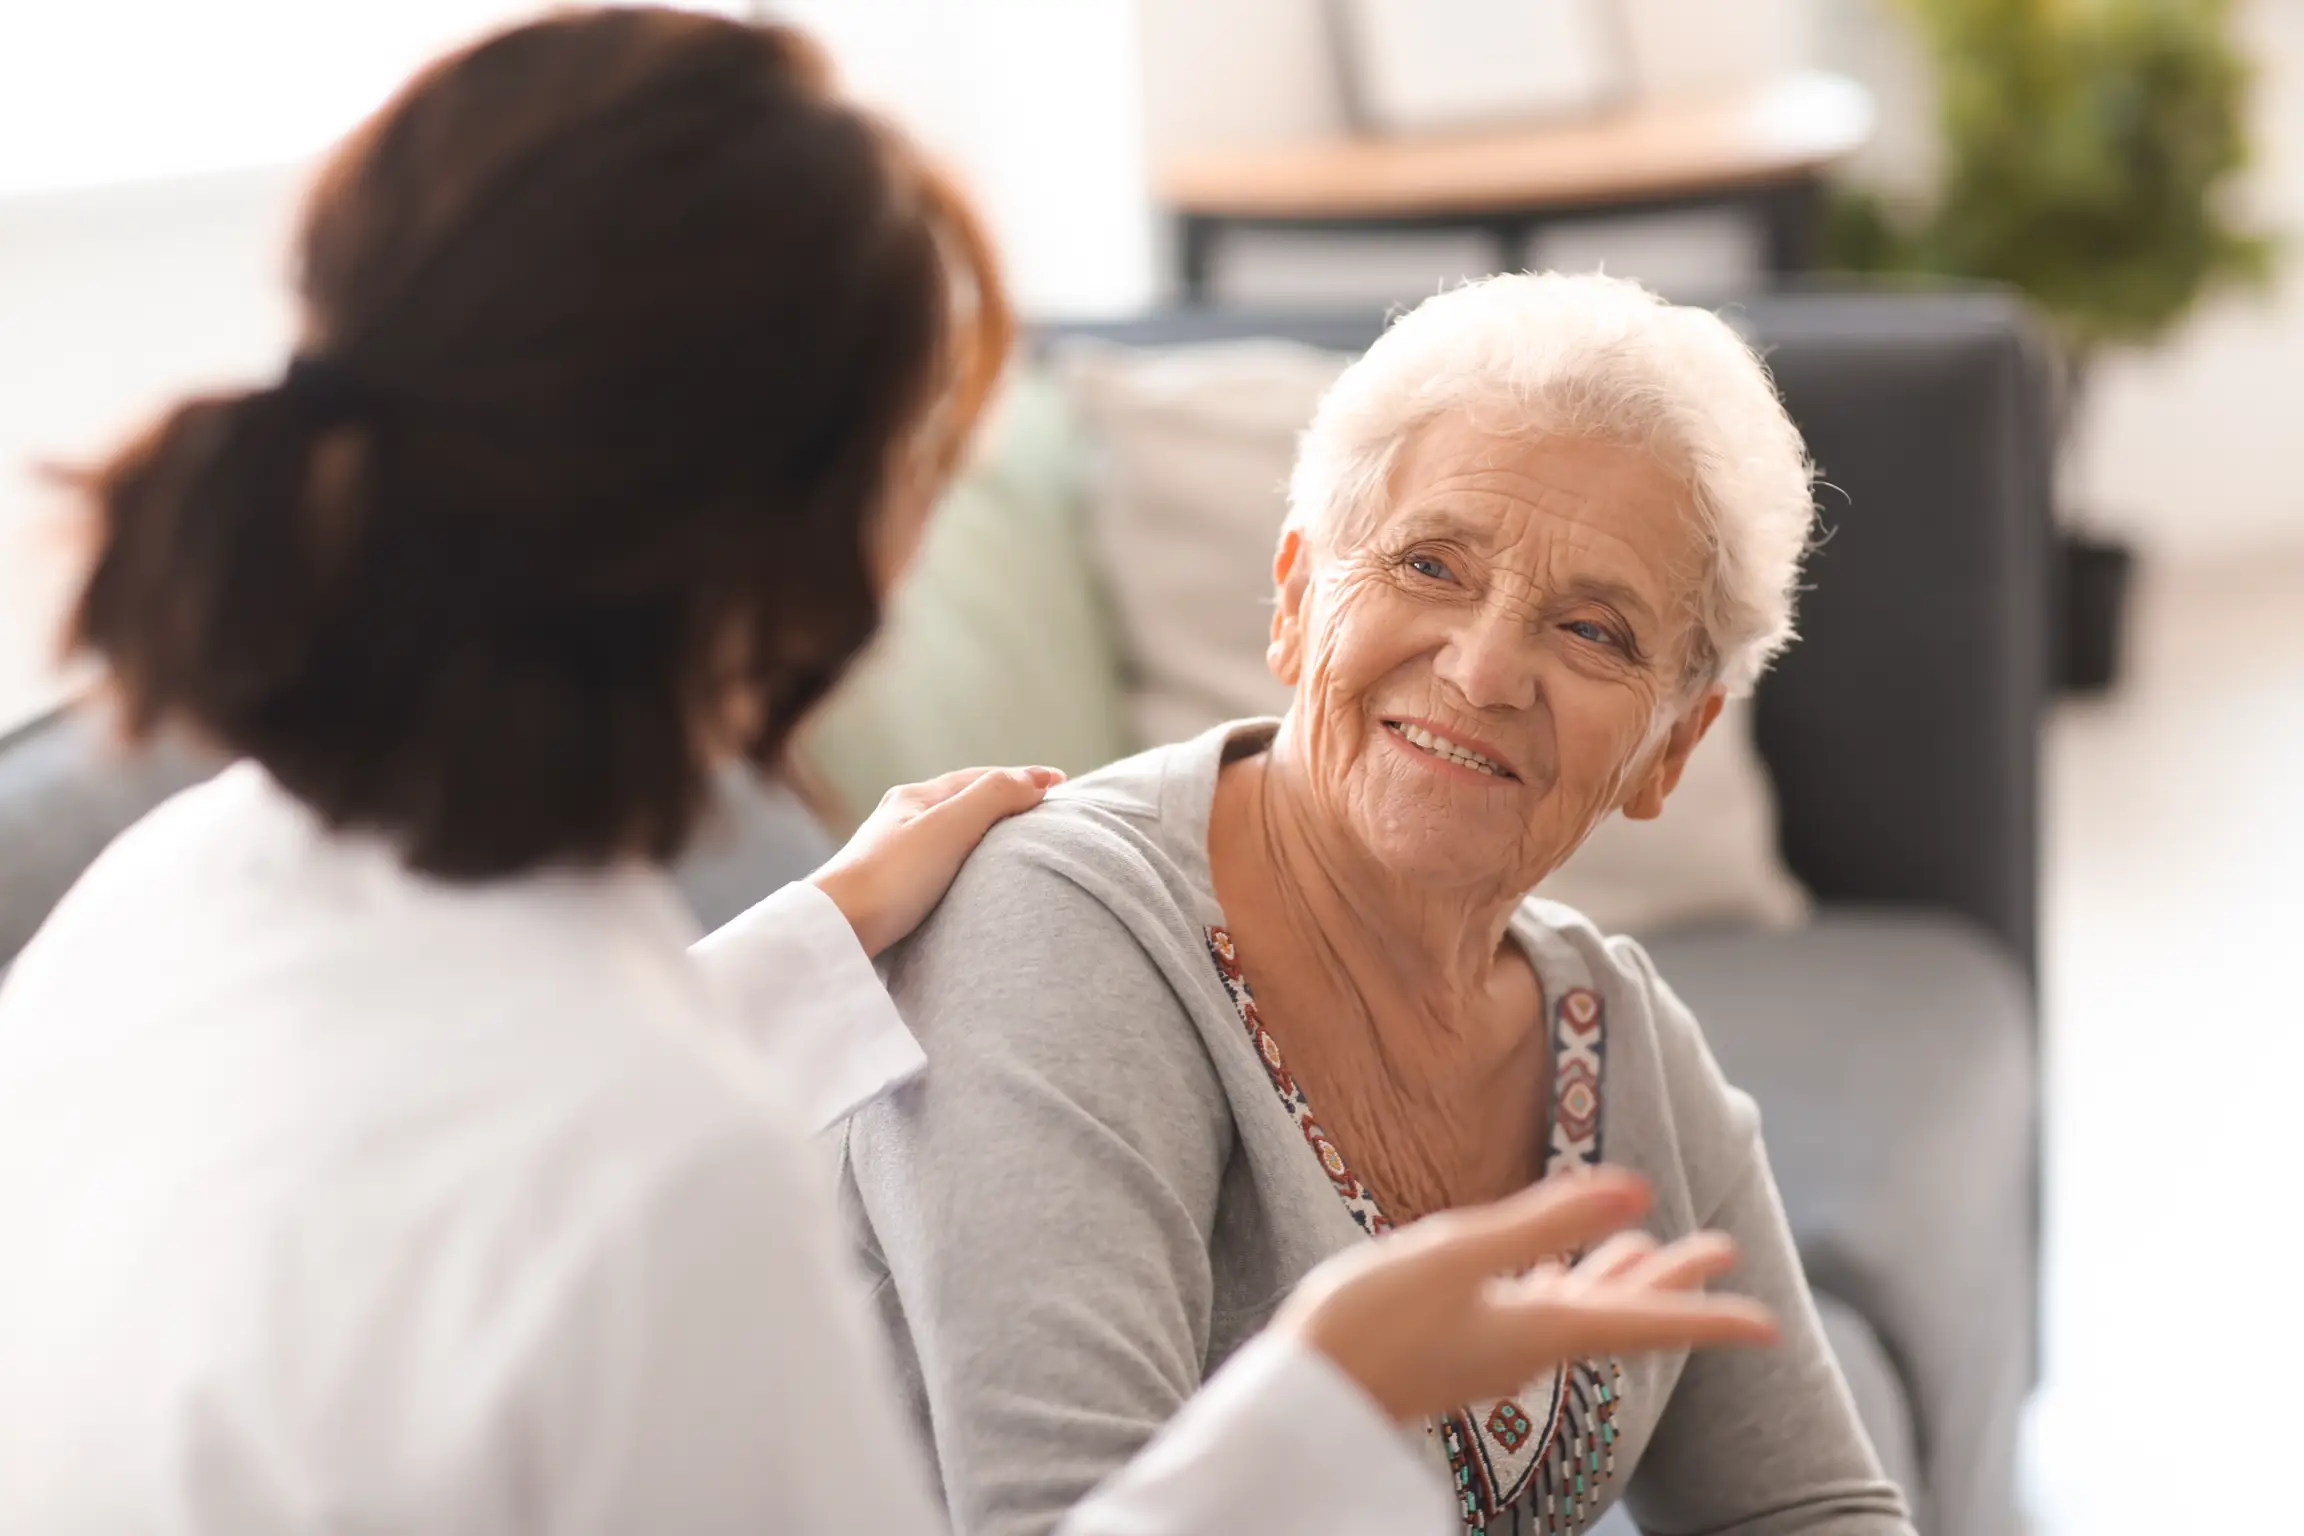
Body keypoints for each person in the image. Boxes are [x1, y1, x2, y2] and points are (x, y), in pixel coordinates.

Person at [0, 13, 1779, 1535]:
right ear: (813, 549)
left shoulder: (172, 892)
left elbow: (427, 1171)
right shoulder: (657, 1168)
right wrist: (1322, 1401)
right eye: (928, 443)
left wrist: (803, 950)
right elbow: (558, 1176)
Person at [837, 271, 1918, 1536]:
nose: (1486, 666)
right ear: (1296, 601)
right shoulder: (1060, 929)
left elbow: (1812, 1509)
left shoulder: (1618, 1038)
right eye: (1431, 564)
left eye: (1594, 631)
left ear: (1672, 749)